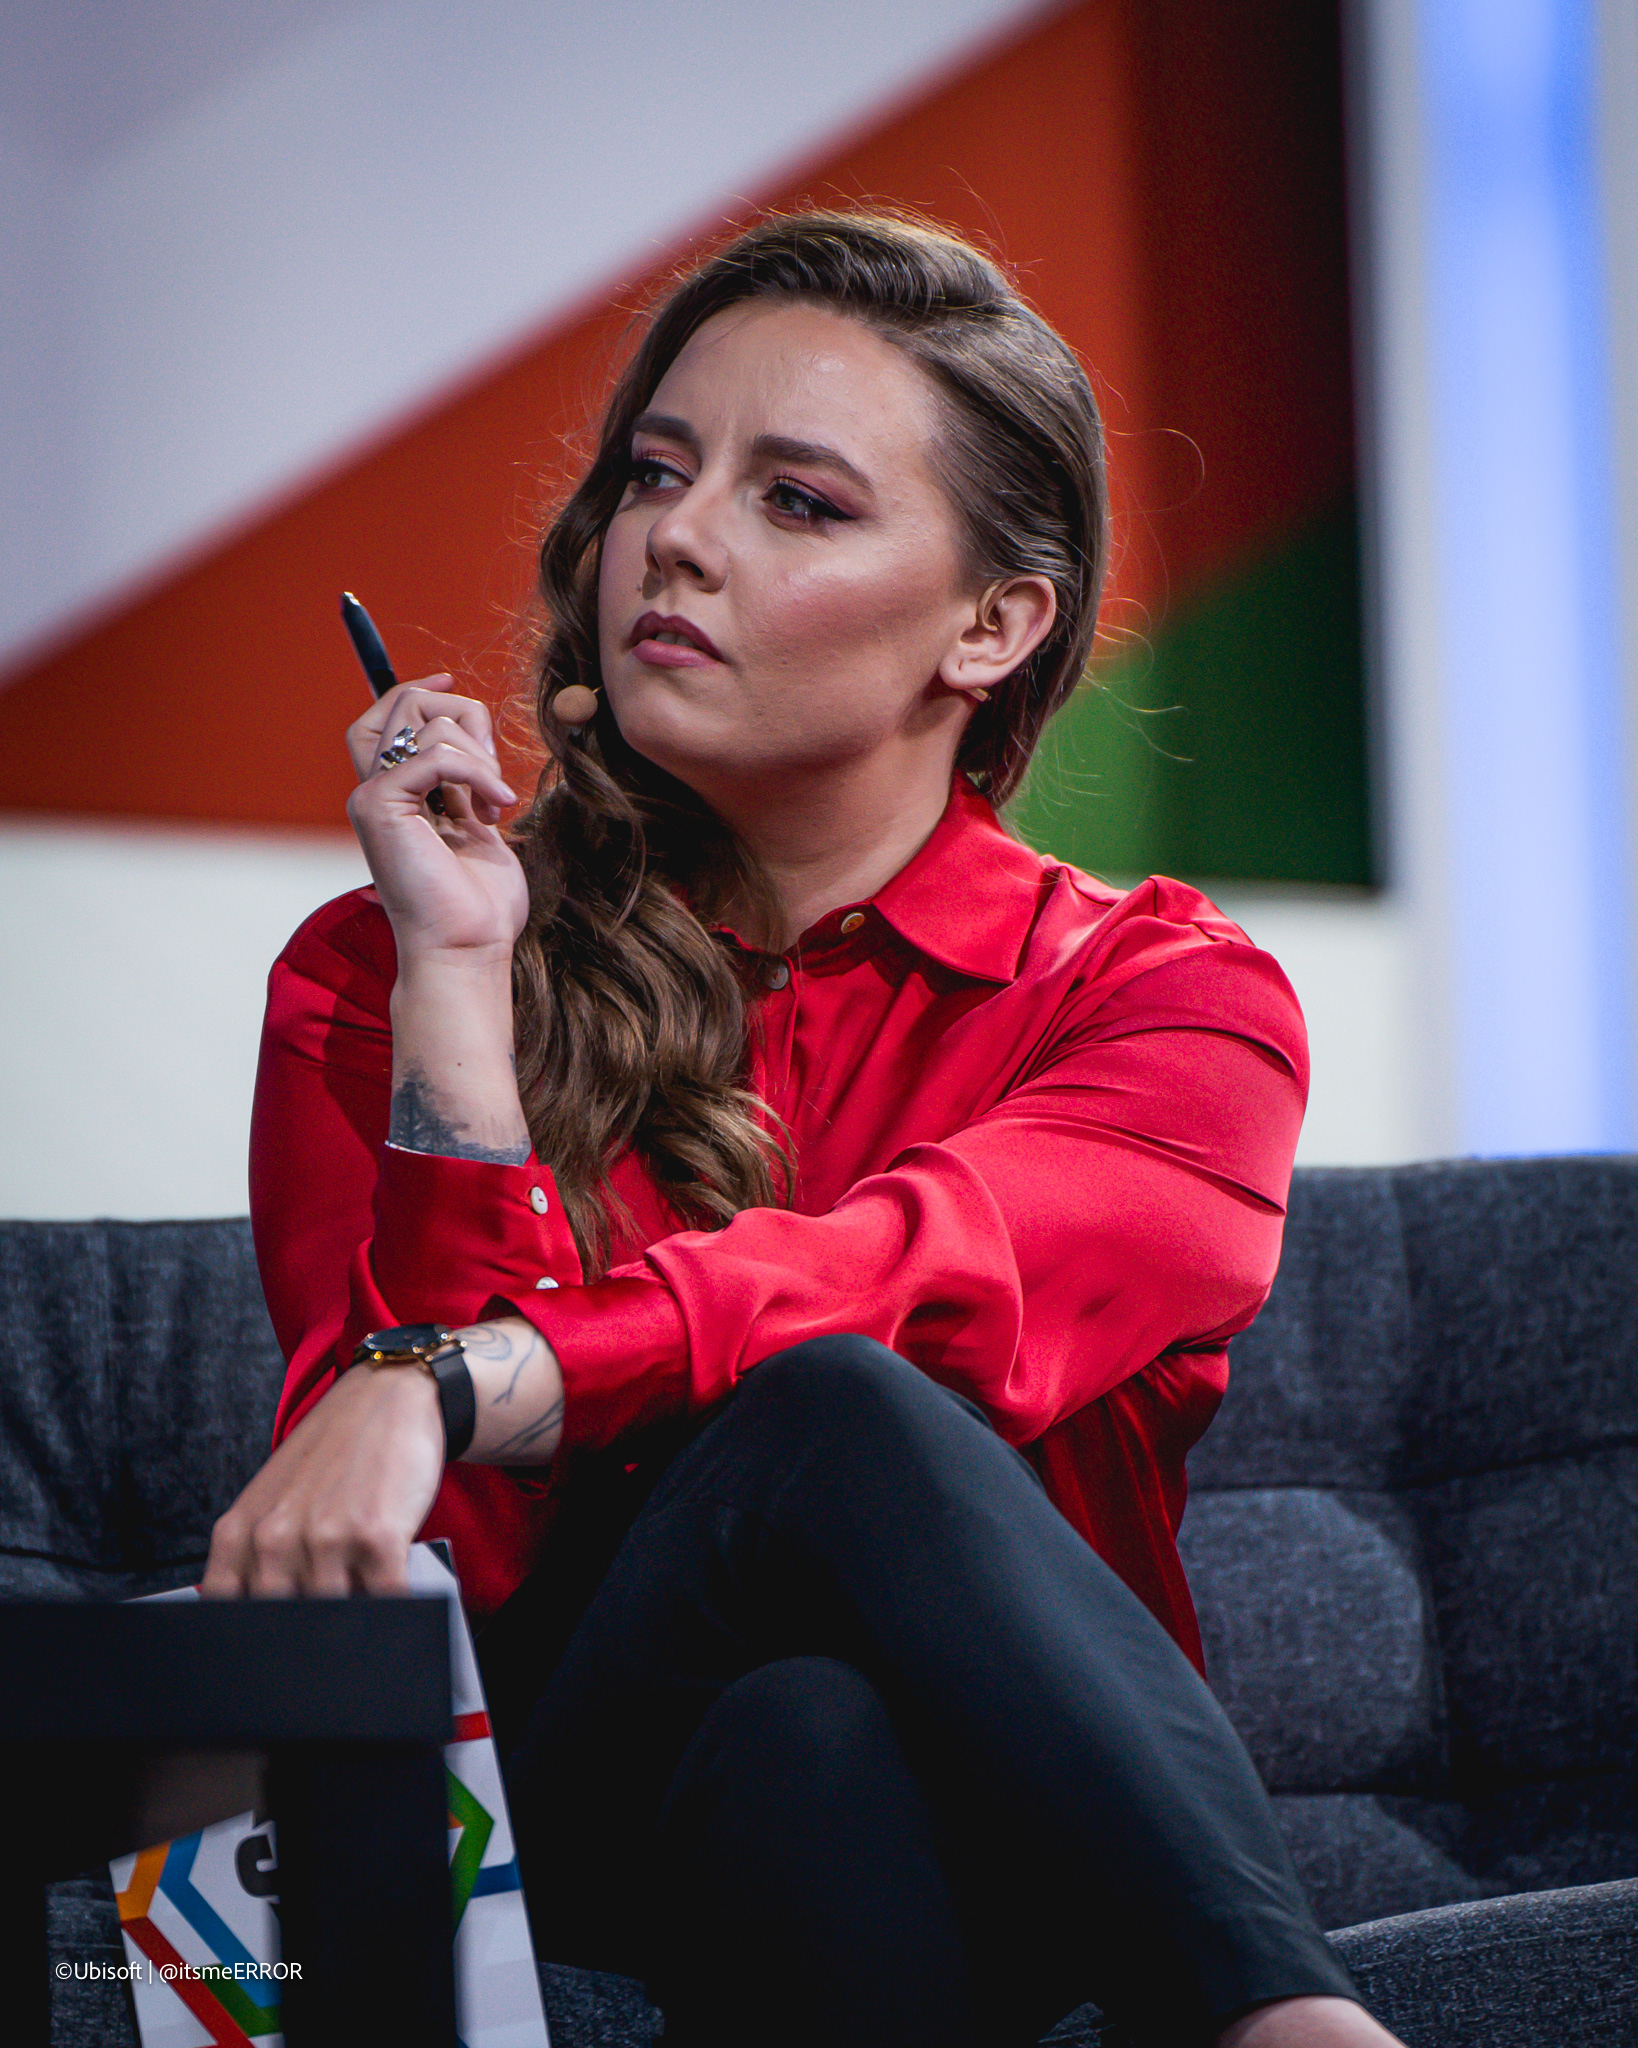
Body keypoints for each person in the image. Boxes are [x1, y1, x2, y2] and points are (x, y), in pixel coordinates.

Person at [205, 212, 1404, 2048]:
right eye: (655, 473)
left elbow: (921, 1277)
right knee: (819, 1421)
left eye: (796, 501)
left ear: (992, 626)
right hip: (553, 1796)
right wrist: (457, 985)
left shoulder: (1163, 998)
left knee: (816, 1705)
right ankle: (1284, 2022)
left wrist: (467, 1374)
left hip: (1002, 1822)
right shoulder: (381, 970)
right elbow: (436, 1568)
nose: (674, 537)